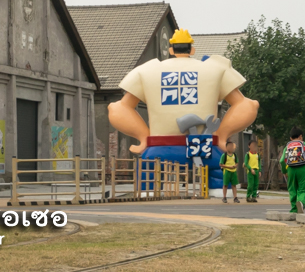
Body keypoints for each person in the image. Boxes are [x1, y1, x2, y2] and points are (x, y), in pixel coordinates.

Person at [109, 29, 259, 192]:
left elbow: (117, 108)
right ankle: (220, 192)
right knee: (219, 178)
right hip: (207, 149)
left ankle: (148, 192)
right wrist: (222, 135)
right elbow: (248, 106)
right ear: (192, 50)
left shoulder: (145, 70)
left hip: (157, 150)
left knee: (148, 180)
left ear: (171, 50)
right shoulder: (215, 68)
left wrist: (144, 137)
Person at [279, 126, 305, 214]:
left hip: (291, 169)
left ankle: (294, 209)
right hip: (303, 168)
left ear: (290, 138)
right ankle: (301, 202)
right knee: (304, 189)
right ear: (301, 136)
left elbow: (281, 160)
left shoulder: (287, 146)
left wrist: (284, 171)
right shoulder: (304, 144)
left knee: (292, 189)